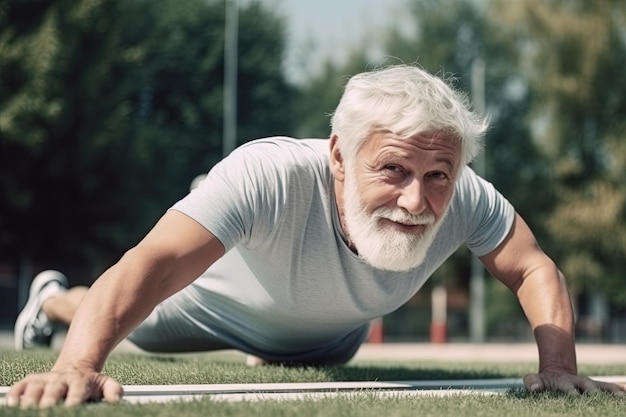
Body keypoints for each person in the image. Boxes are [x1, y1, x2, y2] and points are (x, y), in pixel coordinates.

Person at [7, 64, 625, 408]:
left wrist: (559, 365)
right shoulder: (269, 173)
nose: (418, 199)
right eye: (392, 170)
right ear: (338, 153)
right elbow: (156, 262)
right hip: (207, 308)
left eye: (438, 174)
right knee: (118, 316)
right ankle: (54, 297)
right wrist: (80, 363)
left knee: (333, 353)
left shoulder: (464, 194)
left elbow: (532, 268)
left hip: (329, 337)